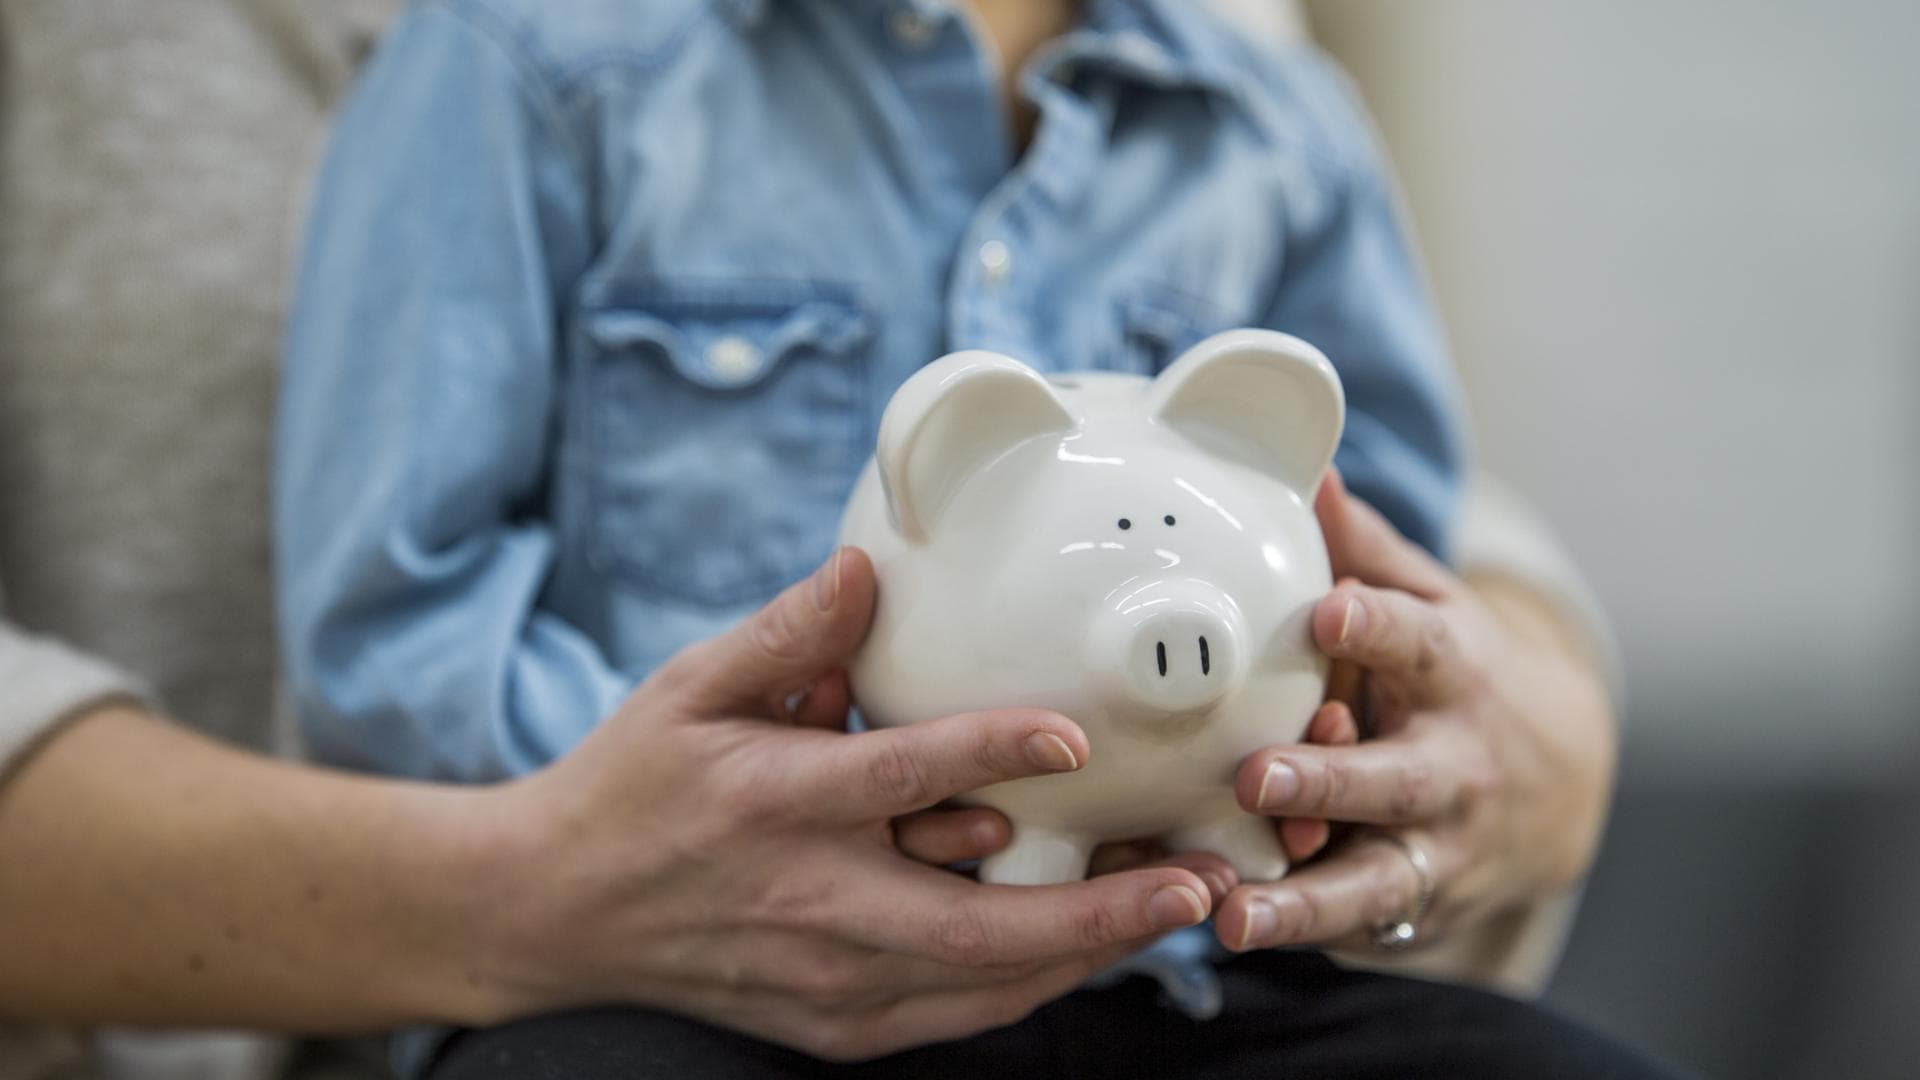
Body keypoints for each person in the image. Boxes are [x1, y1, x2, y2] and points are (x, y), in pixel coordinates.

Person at [0, 2, 1638, 1079]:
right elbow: (399, 618)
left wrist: (1407, 745)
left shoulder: (1274, 113)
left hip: (1185, 973)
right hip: (665, 983)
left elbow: (1399, 552)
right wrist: (738, 824)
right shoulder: (529, 60)